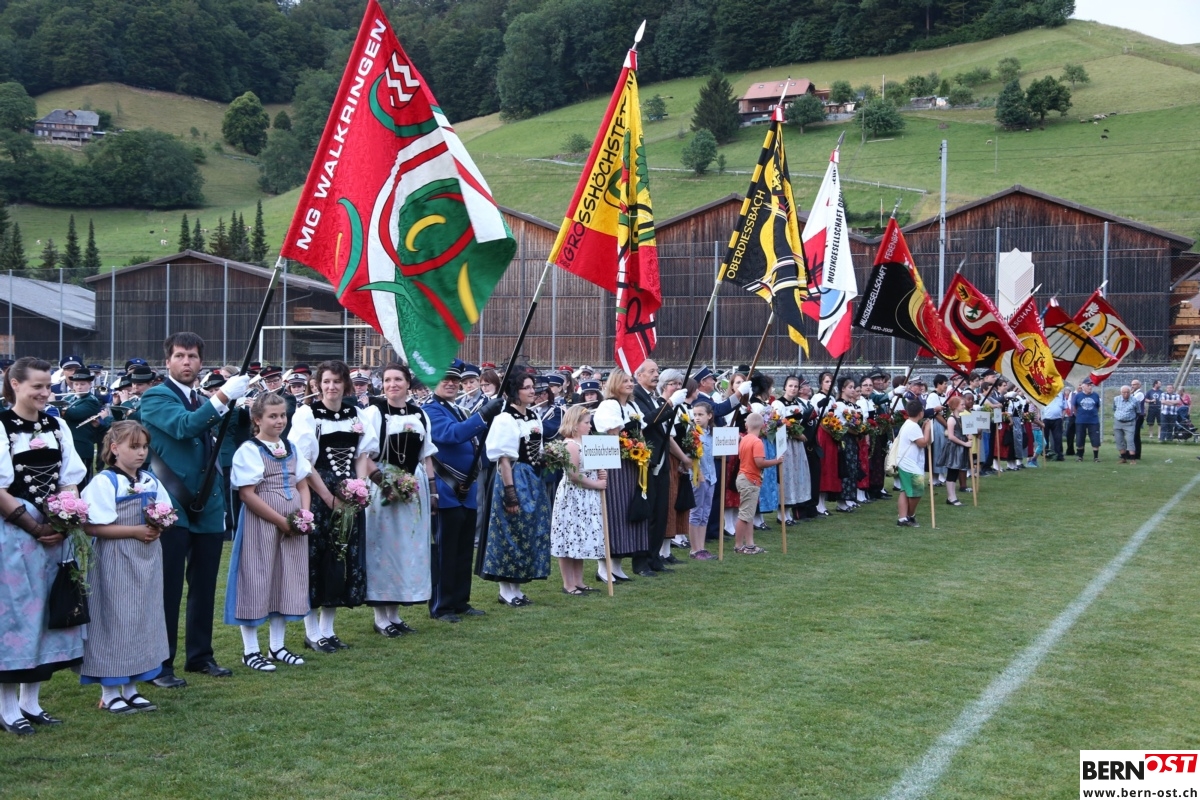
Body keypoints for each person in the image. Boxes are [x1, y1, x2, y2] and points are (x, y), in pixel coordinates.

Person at [139, 332, 250, 688]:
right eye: (179, 355)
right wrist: (224, 396)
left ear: (201, 362)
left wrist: (230, 401)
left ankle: (200, 656)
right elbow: (184, 427)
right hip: (171, 505)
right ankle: (159, 664)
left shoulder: (202, 399)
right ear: (167, 361)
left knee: (204, 586)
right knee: (168, 588)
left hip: (208, 504)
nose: (186, 362)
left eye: (192, 356)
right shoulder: (156, 396)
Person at [0, 358, 88, 735]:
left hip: (53, 532)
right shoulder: (1, 427)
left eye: (48, 387)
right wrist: (34, 526)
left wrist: (64, 520)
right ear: (15, 384)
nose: (44, 393)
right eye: (37, 386)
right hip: (13, 533)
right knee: (14, 615)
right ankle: (6, 708)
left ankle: (30, 702)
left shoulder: (57, 425)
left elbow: (69, 479)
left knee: (48, 611)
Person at [80, 421, 172, 711]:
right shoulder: (105, 482)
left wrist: (160, 525)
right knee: (115, 620)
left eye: (144, 446)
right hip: (115, 559)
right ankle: (110, 692)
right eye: (134, 447)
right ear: (114, 448)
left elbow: (167, 510)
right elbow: (92, 527)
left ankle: (131, 688)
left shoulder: (150, 480)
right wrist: (134, 531)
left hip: (147, 559)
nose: (141, 452)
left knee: (142, 618)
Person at [288, 360, 376, 653]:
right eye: (326, 381)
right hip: (318, 491)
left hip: (348, 493)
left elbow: (362, 455)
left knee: (340, 557)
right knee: (316, 559)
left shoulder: (356, 414)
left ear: (345, 384)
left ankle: (328, 629)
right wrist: (327, 497)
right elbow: (304, 462)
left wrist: (359, 486)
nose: (331, 387)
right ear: (317, 385)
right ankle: (312, 632)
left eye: (337, 381)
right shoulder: (308, 414)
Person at [225, 393, 313, 672]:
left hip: (292, 526)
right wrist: (280, 521)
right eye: (272, 416)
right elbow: (247, 494)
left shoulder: (291, 447)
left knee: (285, 578)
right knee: (256, 578)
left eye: (282, 415)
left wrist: (303, 515)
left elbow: (302, 484)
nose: (279, 421)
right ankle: (250, 650)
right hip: (261, 524)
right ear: (257, 419)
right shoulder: (250, 450)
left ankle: (277, 646)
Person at [361, 363, 437, 637]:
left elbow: (426, 456)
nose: (392, 384)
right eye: (387, 380)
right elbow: (364, 455)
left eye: (398, 379)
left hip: (413, 487)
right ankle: (381, 617)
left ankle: (395, 614)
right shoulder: (374, 412)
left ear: (408, 384)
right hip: (382, 486)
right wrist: (384, 484)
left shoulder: (420, 413)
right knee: (383, 549)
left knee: (406, 550)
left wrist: (433, 490)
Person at [426, 360, 500, 623]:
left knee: (463, 549)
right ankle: (441, 606)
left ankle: (460, 600)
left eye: (454, 380)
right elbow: (451, 434)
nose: (450, 383)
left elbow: (474, 439)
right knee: (446, 551)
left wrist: (489, 418)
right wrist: (482, 417)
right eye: (444, 379)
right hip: (446, 488)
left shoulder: (458, 409)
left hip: (467, 490)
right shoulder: (430, 410)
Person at [482, 368, 552, 607]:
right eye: (527, 388)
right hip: (513, 475)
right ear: (515, 391)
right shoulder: (505, 418)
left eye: (533, 387)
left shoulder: (533, 415)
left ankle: (517, 588)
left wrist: (550, 456)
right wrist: (510, 493)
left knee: (527, 532)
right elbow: (504, 458)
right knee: (509, 531)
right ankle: (505, 590)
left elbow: (538, 450)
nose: (532, 391)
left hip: (533, 478)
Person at [629, 360, 688, 577]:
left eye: (657, 371)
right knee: (648, 512)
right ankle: (641, 561)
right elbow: (647, 420)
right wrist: (670, 404)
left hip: (661, 458)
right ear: (639, 375)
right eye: (652, 371)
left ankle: (654, 558)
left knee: (660, 511)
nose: (656, 375)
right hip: (647, 460)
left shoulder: (653, 397)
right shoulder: (636, 396)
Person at [591, 369, 646, 583]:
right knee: (612, 512)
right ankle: (603, 568)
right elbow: (614, 434)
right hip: (613, 465)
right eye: (625, 381)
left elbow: (640, 433)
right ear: (615, 383)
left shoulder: (632, 406)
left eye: (631, 381)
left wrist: (641, 450)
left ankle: (617, 566)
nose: (630, 384)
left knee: (626, 512)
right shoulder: (609, 405)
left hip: (631, 464)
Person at [550, 405, 607, 595]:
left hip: (586, 495)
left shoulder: (585, 443)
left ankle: (579, 581)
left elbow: (592, 466)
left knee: (579, 536)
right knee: (569, 536)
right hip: (573, 496)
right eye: (586, 423)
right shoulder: (570, 445)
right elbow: (574, 475)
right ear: (575, 425)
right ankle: (568, 584)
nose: (590, 426)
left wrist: (601, 473)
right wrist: (596, 484)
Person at [735, 412, 780, 554]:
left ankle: (750, 544)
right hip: (750, 479)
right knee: (745, 515)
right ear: (762, 426)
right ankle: (738, 546)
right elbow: (759, 462)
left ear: (746, 425)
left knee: (748, 514)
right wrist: (776, 461)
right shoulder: (757, 442)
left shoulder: (744, 439)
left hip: (744, 477)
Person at [61, 367, 108, 486]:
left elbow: (73, 414)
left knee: (82, 482)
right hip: (67, 444)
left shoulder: (92, 400)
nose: (79, 387)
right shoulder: (68, 398)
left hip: (82, 447)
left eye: (82, 384)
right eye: (76, 384)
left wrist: (58, 406)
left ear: (89, 385)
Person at [687, 402, 717, 560]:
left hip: (711, 476)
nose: (697, 418)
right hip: (698, 477)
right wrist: (698, 472)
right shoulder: (693, 433)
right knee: (696, 512)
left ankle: (702, 547)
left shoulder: (712, 434)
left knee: (705, 513)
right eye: (695, 415)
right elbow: (690, 455)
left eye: (701, 414)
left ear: (709, 416)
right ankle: (694, 549)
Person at [895, 400, 931, 527]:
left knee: (905, 490)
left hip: (906, 462)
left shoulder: (909, 424)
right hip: (909, 464)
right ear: (921, 413)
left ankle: (902, 518)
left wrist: (923, 428)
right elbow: (923, 443)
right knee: (917, 490)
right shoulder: (912, 426)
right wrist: (927, 429)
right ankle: (909, 516)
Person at [937, 396, 971, 506]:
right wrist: (964, 443)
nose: (964, 406)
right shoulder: (951, 419)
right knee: (952, 472)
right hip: (954, 449)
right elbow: (951, 436)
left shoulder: (960, 418)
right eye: (962, 404)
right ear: (955, 406)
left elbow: (963, 431)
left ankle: (952, 496)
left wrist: (968, 436)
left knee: (955, 472)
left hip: (960, 448)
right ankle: (951, 497)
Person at [1071, 380, 1102, 461]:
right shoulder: (1078, 396)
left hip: (1093, 421)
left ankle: (1096, 457)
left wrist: (1092, 414)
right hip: (1081, 421)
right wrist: (1079, 416)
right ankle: (1080, 456)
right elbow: (1074, 408)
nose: (1090, 387)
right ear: (1083, 386)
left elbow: (1097, 407)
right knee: (1080, 438)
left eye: (1091, 385)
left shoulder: (1095, 395)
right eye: (1088, 385)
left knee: (1095, 438)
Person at [1112, 385, 1139, 464]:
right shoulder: (1116, 399)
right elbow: (1114, 408)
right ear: (1121, 392)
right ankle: (1123, 458)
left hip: (1130, 423)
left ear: (1130, 392)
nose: (1126, 394)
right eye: (1124, 392)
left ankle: (1133, 459)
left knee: (1130, 440)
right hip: (1118, 422)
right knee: (1119, 440)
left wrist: (1132, 419)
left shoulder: (1135, 400)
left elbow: (1138, 411)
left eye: (1127, 392)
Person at [1042, 388, 1065, 461]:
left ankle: (1059, 455)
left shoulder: (1061, 395)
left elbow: (1064, 407)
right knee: (1045, 438)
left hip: (1057, 419)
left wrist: (1062, 416)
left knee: (1058, 438)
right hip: (1046, 419)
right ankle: (1046, 455)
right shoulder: (1044, 393)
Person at [1129, 379, 1145, 461]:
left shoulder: (1139, 394)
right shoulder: (1134, 393)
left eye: (1134, 384)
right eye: (1132, 384)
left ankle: (1136, 453)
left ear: (1139, 385)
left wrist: (1130, 394)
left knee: (1135, 435)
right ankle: (1133, 453)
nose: (1132, 386)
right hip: (1134, 416)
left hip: (1138, 416)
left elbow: (1131, 402)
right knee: (1134, 435)